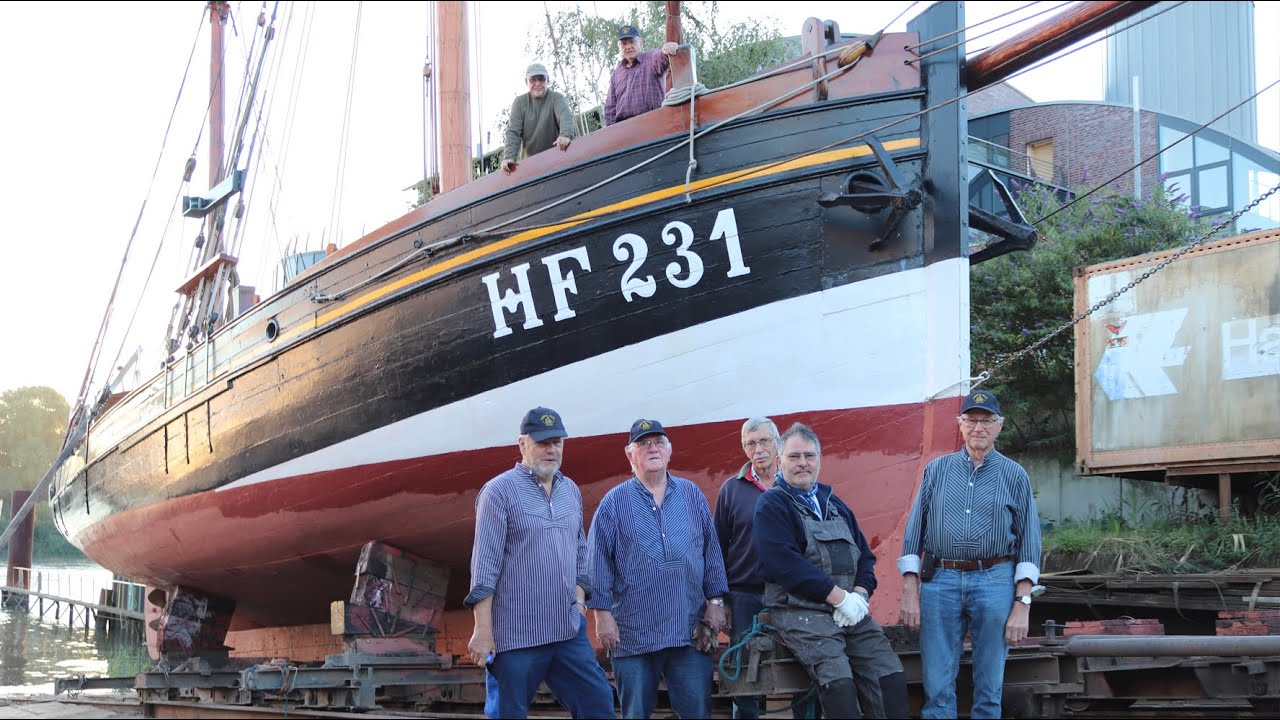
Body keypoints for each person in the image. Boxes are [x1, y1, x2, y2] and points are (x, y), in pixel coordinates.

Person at [897, 390, 1043, 719]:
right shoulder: (936, 471)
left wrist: (1022, 604)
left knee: (990, 688)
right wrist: (910, 588)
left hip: (995, 581)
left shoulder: (1015, 475)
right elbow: (913, 532)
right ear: (960, 424)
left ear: (999, 425)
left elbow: (1030, 544)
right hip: (940, 582)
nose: (979, 428)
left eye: (987, 421)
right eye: (971, 420)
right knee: (936, 688)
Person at [464, 407, 616, 719]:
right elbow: (484, 565)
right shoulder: (498, 492)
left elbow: (580, 552)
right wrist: (483, 630)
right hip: (516, 636)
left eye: (557, 442)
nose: (551, 449)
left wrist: (579, 604)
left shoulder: (569, 490)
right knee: (508, 713)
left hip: (566, 631)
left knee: (598, 702)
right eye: (543, 442)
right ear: (522, 444)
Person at [753, 423, 908, 719]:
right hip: (799, 612)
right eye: (794, 456)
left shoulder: (835, 504)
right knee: (839, 686)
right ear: (779, 461)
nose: (803, 463)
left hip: (848, 610)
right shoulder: (772, 505)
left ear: (820, 460)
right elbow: (784, 564)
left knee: (889, 678)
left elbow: (865, 557)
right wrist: (840, 598)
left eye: (809, 456)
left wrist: (859, 597)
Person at [588, 418, 729, 719]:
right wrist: (602, 616)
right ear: (630, 454)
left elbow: (711, 553)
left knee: (697, 713)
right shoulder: (613, 504)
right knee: (636, 714)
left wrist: (716, 602)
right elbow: (596, 563)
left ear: (669, 450)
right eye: (643, 443)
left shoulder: (692, 495)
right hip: (633, 636)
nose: (652, 448)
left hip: (688, 631)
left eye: (658, 442)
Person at [714, 417, 822, 720]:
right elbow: (717, 548)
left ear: (777, 444)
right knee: (744, 678)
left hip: (793, 594)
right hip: (745, 596)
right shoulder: (731, 490)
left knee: (803, 666)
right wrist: (721, 601)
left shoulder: (797, 485)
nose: (758, 449)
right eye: (751, 444)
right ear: (744, 448)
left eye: (764, 441)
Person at [502, 63, 575, 175]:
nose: (537, 83)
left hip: (558, 161)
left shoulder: (557, 98)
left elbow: (565, 117)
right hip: (530, 167)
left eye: (541, 79)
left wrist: (565, 135)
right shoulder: (519, 103)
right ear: (526, 82)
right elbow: (513, 132)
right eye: (532, 80)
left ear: (547, 80)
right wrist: (509, 157)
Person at [604, 25, 679, 126]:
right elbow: (610, 109)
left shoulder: (651, 58)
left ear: (641, 43)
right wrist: (612, 131)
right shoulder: (616, 75)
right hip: (625, 129)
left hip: (655, 123)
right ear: (619, 47)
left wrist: (666, 52)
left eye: (632, 42)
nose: (628, 47)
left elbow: (662, 59)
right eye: (624, 43)